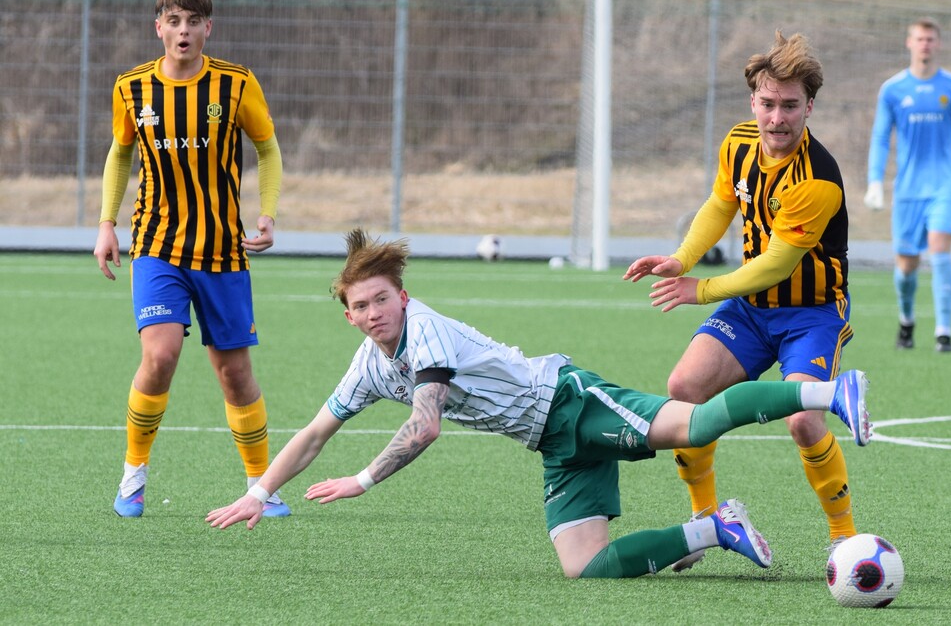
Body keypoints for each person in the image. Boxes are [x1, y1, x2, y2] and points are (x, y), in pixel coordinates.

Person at [205, 229, 872, 579]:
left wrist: (363, 478)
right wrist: (260, 491)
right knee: (583, 566)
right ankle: (714, 528)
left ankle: (829, 392)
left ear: (402, 297)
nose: (375, 311)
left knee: (692, 422)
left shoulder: (424, 331)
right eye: (362, 305)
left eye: (383, 298)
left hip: (570, 401)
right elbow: (316, 431)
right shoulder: (369, 364)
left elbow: (425, 425)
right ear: (349, 316)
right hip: (550, 440)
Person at [623, 30, 864, 572]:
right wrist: (682, 259)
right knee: (684, 390)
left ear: (810, 106)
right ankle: (707, 521)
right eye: (767, 103)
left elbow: (776, 265)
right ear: (753, 100)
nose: (777, 118)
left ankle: (843, 537)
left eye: (790, 105)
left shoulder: (818, 179)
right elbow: (719, 204)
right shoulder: (737, 142)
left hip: (811, 314)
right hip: (751, 310)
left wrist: (702, 289)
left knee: (803, 419)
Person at [92, 0, 288, 518]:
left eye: (193, 22)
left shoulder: (235, 84)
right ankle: (133, 477)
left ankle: (261, 486)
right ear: (158, 27)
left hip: (223, 250)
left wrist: (268, 214)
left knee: (234, 373)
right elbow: (120, 154)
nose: (183, 31)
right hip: (156, 245)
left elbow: (268, 150)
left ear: (208, 28)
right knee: (159, 356)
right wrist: (106, 223)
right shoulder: (131, 87)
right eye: (174, 21)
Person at [863, 17, 951, 353]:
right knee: (906, 266)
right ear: (909, 43)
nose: (925, 45)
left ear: (938, 44)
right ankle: (906, 320)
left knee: (940, 251)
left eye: (930, 39)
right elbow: (880, 137)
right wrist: (875, 181)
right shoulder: (893, 89)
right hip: (908, 189)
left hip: (945, 185)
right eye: (919, 39)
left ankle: (944, 333)